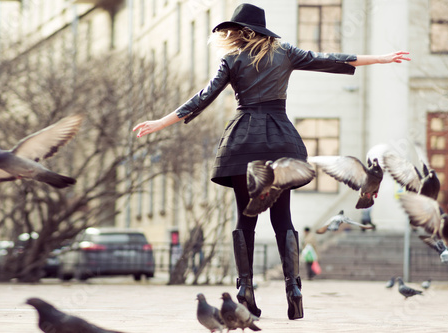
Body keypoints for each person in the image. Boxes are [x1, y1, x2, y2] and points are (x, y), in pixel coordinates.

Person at [133, 3, 410, 320]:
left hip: (242, 143)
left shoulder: (231, 60)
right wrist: (382, 58)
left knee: (245, 220)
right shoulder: (286, 52)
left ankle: (244, 289)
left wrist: (160, 122)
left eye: (234, 30)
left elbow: (203, 97)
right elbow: (330, 60)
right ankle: (294, 289)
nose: (231, 36)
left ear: (243, 32)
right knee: (283, 220)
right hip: (281, 141)